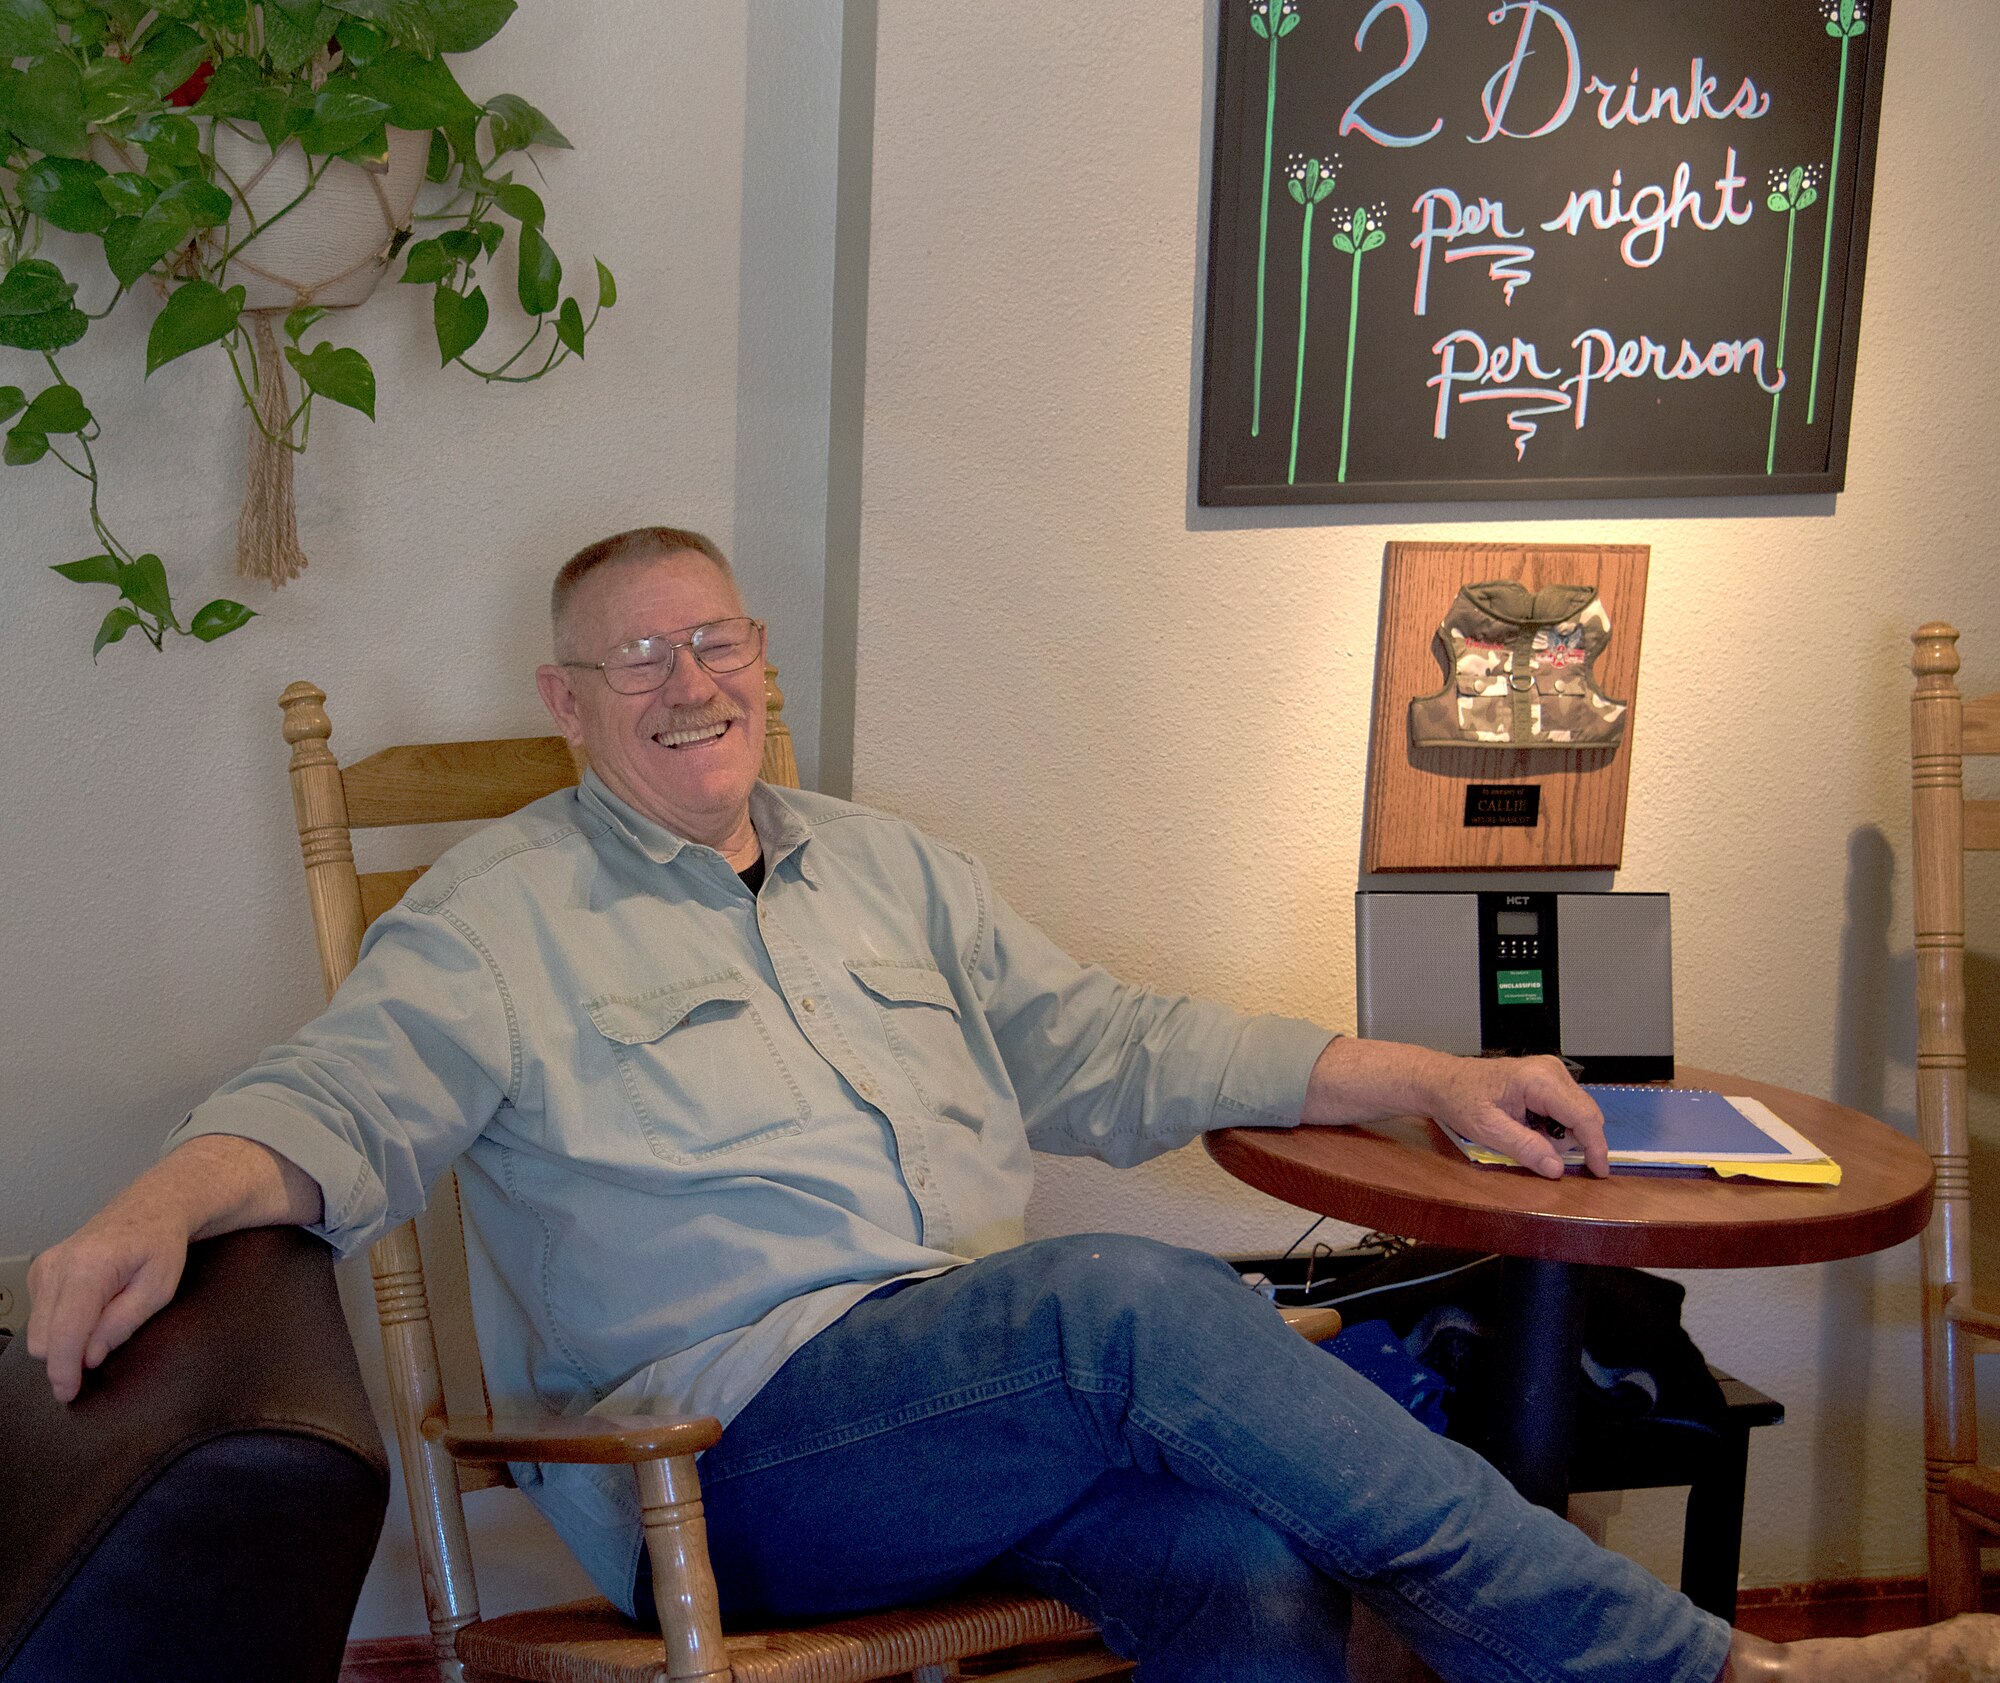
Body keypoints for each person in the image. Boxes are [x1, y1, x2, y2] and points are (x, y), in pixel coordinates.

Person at [25, 528, 1994, 1683]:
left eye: (716, 640)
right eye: (636, 658)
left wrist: (1421, 1069)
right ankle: (1689, 1668)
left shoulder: (892, 869)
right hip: (724, 1451)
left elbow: (1106, 1038)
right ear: (568, 701)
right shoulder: (493, 918)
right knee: (1124, 1301)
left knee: (1233, 1552)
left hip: (969, 1403)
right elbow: (333, 1100)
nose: (687, 678)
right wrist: (158, 1201)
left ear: (761, 664)